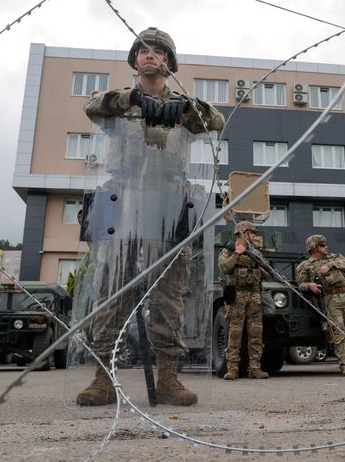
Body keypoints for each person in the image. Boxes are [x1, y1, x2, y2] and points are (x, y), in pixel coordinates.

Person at [75, 27, 224, 406]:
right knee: (112, 293)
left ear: (169, 62)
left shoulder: (184, 104)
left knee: (169, 298)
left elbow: (216, 121)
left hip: (170, 206)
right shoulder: (118, 101)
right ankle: (102, 378)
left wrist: (187, 107)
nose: (149, 54)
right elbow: (93, 108)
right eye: (142, 50)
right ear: (135, 60)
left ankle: (169, 378)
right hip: (123, 204)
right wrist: (134, 100)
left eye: (158, 51)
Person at [297, 235, 345, 376]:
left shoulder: (335, 257)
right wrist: (310, 285)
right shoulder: (305, 265)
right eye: (322, 245)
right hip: (330, 299)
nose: (325, 247)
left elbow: (344, 263)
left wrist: (329, 265)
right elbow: (300, 284)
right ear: (314, 248)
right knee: (338, 332)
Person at [217, 221, 270, 380]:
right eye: (252, 233)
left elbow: (267, 273)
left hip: (254, 296)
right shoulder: (229, 249)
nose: (254, 236)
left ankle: (255, 368)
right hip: (237, 296)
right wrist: (237, 254)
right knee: (235, 333)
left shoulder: (255, 252)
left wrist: (258, 266)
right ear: (243, 233)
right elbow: (224, 267)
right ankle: (232, 368)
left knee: (256, 333)